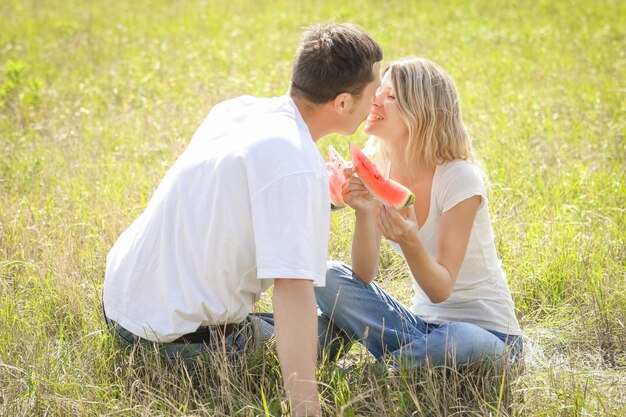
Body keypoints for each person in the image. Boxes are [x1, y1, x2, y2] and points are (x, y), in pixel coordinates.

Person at [102, 23, 382, 417]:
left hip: (120, 304)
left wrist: (328, 193)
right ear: (341, 103)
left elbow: (258, 186)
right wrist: (306, 407)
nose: (375, 104)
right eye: (373, 92)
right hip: (174, 345)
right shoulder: (296, 167)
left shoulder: (238, 110)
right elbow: (292, 290)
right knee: (331, 332)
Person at [315, 57, 523, 369]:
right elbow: (363, 275)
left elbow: (441, 290)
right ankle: (408, 365)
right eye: (378, 91)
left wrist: (410, 241)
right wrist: (364, 212)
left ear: (420, 113)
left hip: (489, 337)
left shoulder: (458, 178)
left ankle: (377, 375)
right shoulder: (378, 166)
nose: (374, 100)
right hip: (417, 328)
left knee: (461, 338)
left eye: (391, 96)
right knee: (327, 276)